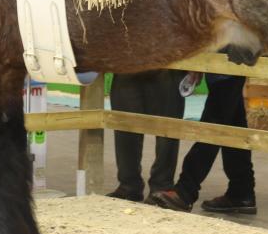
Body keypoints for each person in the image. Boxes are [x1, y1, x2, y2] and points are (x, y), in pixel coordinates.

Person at [147, 74, 256, 214]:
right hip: (224, 70)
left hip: (227, 68)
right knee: (233, 128)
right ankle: (241, 192)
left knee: (210, 130)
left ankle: (185, 192)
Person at [106, 70, 185, 202]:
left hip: (169, 63)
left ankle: (162, 187)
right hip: (127, 63)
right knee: (124, 125)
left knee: (167, 129)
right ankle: (129, 185)